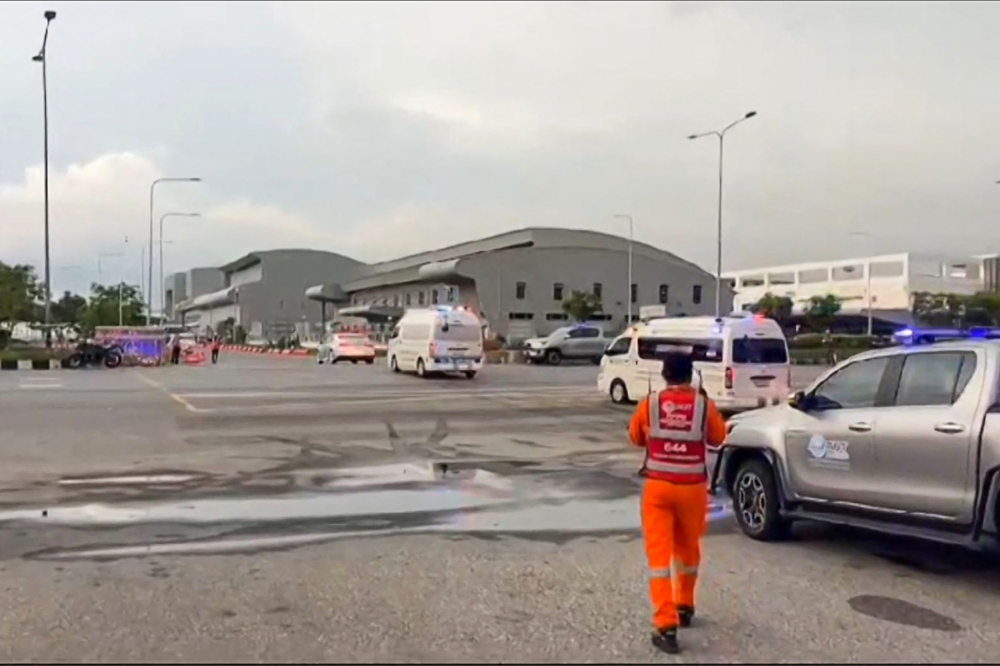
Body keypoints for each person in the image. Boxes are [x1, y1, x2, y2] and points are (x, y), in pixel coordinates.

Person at [628, 346, 727, 655]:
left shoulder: (650, 403)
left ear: (664, 375)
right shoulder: (702, 405)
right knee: (687, 551)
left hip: (658, 489)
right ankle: (684, 606)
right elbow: (718, 438)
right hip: (692, 489)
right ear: (691, 375)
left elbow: (635, 437)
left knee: (659, 561)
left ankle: (665, 625)